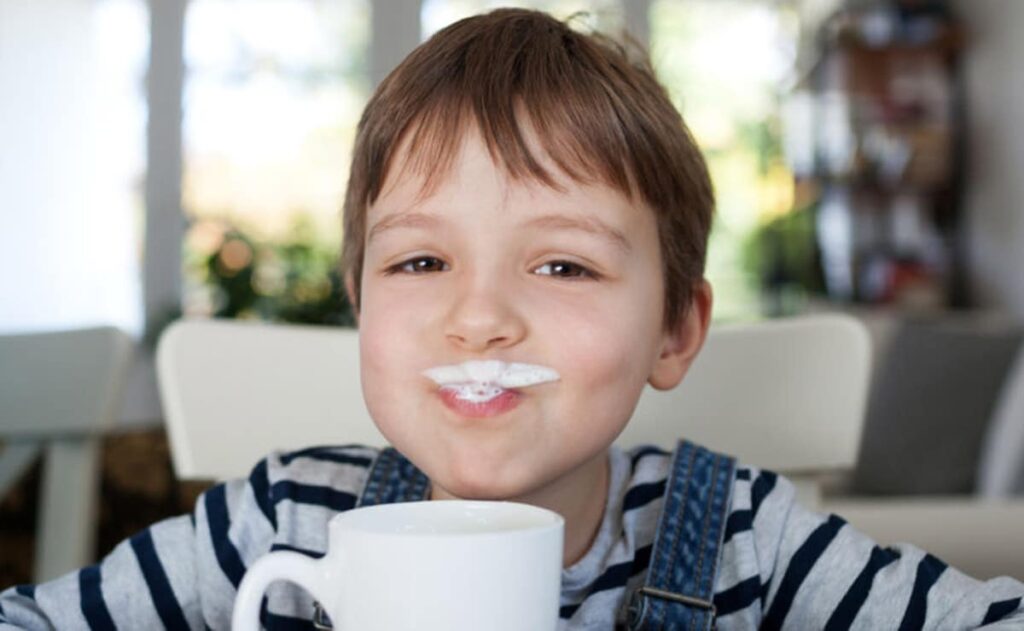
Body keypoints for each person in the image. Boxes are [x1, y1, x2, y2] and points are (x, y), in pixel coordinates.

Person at [2, 8, 1022, 630]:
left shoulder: (741, 540)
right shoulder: (276, 522)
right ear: (361, 303)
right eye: (420, 260)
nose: (478, 317)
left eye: (563, 264)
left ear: (673, 329)